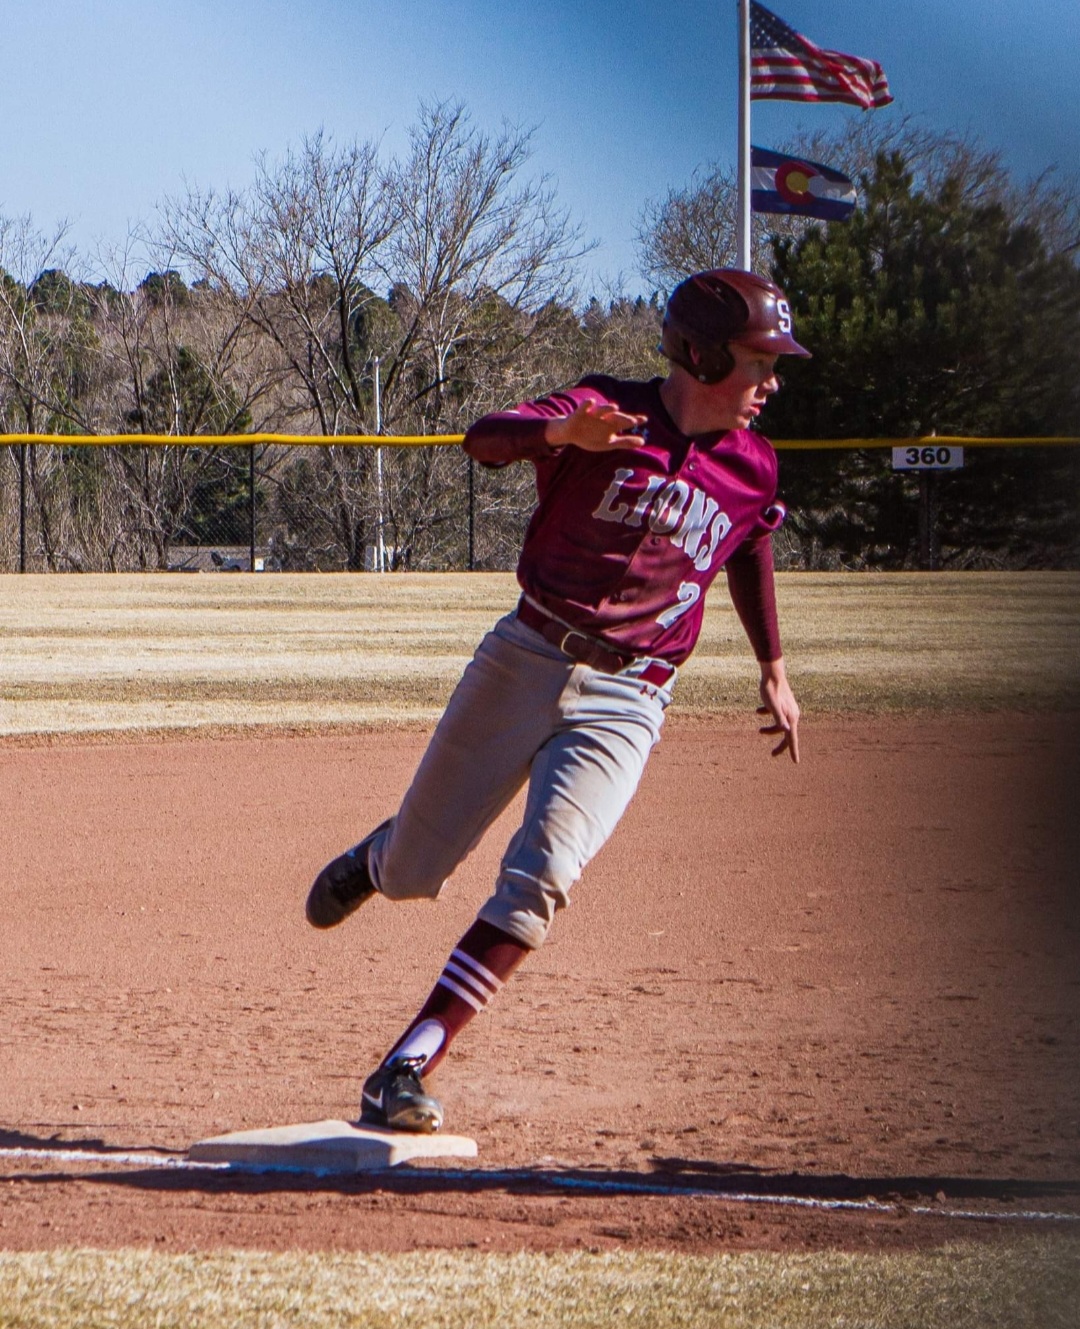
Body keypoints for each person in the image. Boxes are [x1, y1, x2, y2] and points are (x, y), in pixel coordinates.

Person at [305, 268, 806, 1133]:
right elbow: (484, 440)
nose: (771, 383)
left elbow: (749, 546)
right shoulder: (607, 410)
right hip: (526, 655)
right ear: (701, 352)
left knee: (541, 878)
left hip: (632, 694)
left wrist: (774, 665)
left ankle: (407, 1061)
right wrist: (563, 432)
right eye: (759, 361)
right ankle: (381, 858)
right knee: (419, 871)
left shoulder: (754, 468)